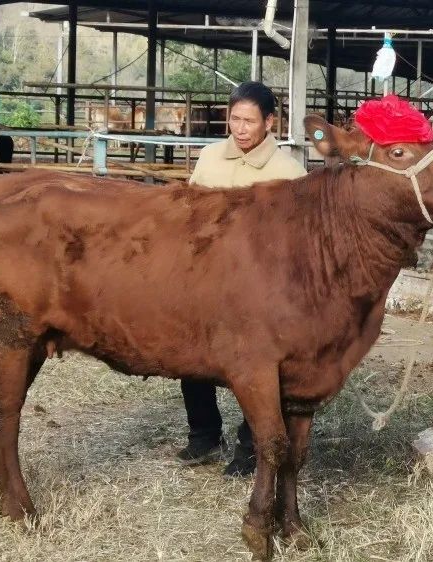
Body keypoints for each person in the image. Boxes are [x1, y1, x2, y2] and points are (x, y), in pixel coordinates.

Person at [178, 81, 307, 477]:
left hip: (262, 287)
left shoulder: (288, 170)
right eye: (234, 118)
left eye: (250, 120)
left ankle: (250, 445)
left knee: (260, 367)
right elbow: (190, 215)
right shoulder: (209, 157)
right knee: (192, 353)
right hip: (207, 277)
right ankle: (203, 434)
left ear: (270, 121)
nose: (240, 128)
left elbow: (298, 236)